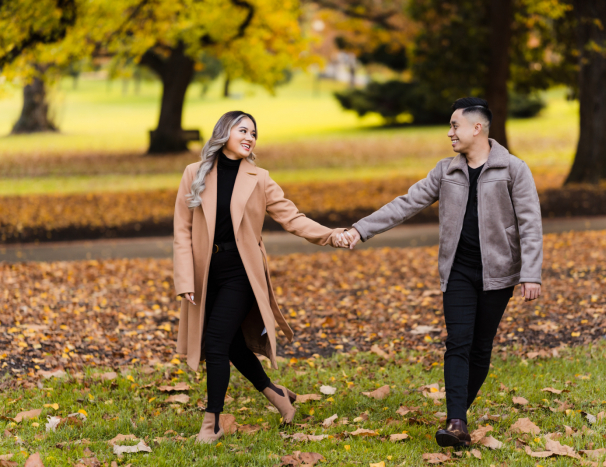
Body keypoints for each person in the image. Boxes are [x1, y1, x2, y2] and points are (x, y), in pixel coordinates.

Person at [342, 98, 543, 447]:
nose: (449, 132)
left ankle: (457, 417)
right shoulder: (446, 171)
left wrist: (531, 273)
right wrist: (361, 229)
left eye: (455, 125)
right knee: (458, 343)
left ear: (476, 128)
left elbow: (530, 224)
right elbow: (406, 203)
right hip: (459, 271)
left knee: (481, 348)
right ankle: (456, 423)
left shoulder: (513, 169)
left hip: (498, 274)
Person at [173, 111, 348, 443]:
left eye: (254, 133)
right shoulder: (193, 173)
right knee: (231, 344)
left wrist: (330, 235)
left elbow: (293, 218)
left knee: (217, 342)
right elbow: (182, 230)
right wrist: (184, 280)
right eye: (243, 130)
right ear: (224, 132)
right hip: (204, 274)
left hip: (241, 273)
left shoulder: (260, 177)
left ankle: (212, 425)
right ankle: (276, 394)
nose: (250, 137)